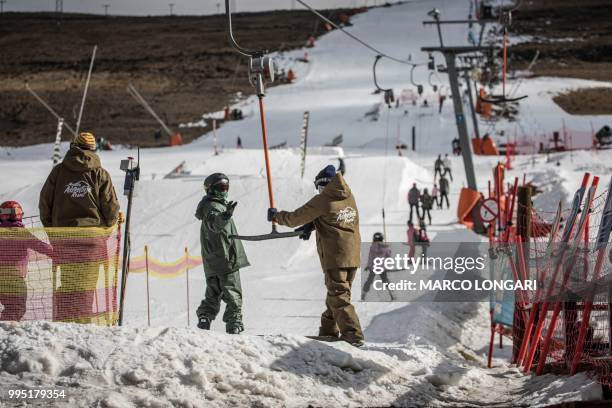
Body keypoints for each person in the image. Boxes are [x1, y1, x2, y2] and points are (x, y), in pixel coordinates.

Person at [270, 165, 364, 347]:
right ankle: (328, 330)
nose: (321, 192)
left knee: (338, 296)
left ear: (326, 186)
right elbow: (333, 216)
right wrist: (312, 225)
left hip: (335, 256)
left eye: (321, 188)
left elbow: (294, 218)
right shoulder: (348, 196)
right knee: (337, 295)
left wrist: (277, 216)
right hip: (352, 255)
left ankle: (353, 334)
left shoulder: (323, 199)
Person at [39, 132, 120, 323]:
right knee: (87, 284)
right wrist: (105, 229)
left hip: (65, 238)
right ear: (93, 149)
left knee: (68, 282)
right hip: (92, 240)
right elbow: (111, 207)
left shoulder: (58, 172)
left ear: (73, 147)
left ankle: (65, 321)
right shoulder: (100, 174)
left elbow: (45, 204)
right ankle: (81, 324)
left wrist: (53, 232)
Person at [195, 173, 249, 334]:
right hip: (226, 260)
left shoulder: (210, 205)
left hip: (213, 262)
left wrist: (225, 214)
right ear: (210, 189)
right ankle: (234, 326)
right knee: (234, 295)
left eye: (226, 187)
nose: (224, 190)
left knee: (213, 293)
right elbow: (215, 223)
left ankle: (205, 317)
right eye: (220, 187)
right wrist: (225, 216)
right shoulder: (212, 207)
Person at [0, 201, 53, 321]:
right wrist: (60, 254)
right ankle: (5, 330)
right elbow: (41, 246)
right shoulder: (22, 233)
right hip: (14, 278)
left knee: (10, 307)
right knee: (16, 308)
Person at [362, 232, 394, 301]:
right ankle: (392, 294)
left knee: (369, 281)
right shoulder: (385, 247)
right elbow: (388, 255)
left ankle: (363, 294)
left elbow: (371, 257)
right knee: (385, 281)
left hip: (374, 267)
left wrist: (368, 266)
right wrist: (388, 248)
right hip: (382, 267)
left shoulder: (373, 246)